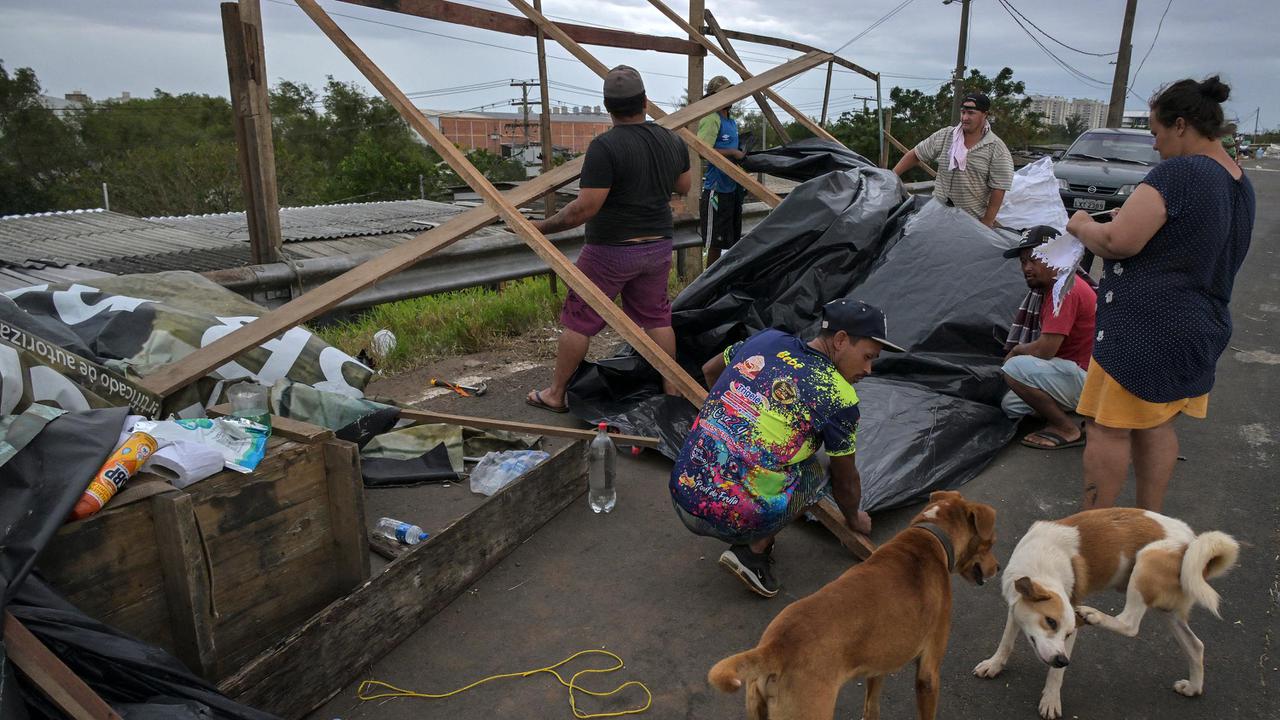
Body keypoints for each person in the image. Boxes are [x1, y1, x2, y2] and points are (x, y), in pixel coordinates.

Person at [1067, 75, 1255, 512]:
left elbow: (1117, 242)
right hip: (1199, 324)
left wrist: (1081, 225)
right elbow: (1187, 239)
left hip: (1144, 329)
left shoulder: (1181, 173)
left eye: (1156, 133)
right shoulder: (1238, 181)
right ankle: (1149, 523)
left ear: (1181, 125)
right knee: (1156, 424)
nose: (1154, 145)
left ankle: (1097, 530)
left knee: (1107, 429)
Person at [669, 299, 906, 597]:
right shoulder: (838, 395)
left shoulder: (767, 340)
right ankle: (752, 552)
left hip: (682, 490)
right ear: (841, 340)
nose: (869, 369)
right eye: (867, 356)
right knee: (821, 465)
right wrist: (854, 518)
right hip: (728, 521)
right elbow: (845, 482)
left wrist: (730, 413)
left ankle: (748, 519)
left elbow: (709, 369)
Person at [525, 66, 693, 413]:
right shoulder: (672, 140)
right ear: (645, 101)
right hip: (658, 245)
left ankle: (556, 394)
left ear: (607, 108)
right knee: (657, 318)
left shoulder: (605, 146)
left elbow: (584, 209)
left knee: (579, 319)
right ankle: (673, 392)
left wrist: (541, 227)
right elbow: (684, 186)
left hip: (611, 250)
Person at [999, 225, 1096, 449]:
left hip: (1089, 378)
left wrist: (1016, 351)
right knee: (1012, 405)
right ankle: (1078, 409)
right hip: (1077, 373)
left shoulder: (1065, 291)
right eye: (1023, 261)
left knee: (1014, 368)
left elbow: (1046, 350)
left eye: (1034, 259)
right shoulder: (1056, 287)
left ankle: (1067, 429)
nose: (1027, 268)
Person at [893, 92, 1014, 227]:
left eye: (971, 113)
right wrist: (891, 176)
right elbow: (915, 154)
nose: (965, 118)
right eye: (963, 112)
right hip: (936, 214)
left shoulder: (996, 147)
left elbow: (999, 188)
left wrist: (987, 222)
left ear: (985, 114)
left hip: (970, 221)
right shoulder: (946, 135)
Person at [696, 75, 746, 266]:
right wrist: (732, 152)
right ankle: (709, 281)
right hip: (716, 191)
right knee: (715, 244)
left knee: (731, 241)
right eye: (725, 92)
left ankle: (724, 279)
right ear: (715, 96)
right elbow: (702, 150)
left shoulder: (731, 121)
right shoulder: (711, 118)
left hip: (732, 187)